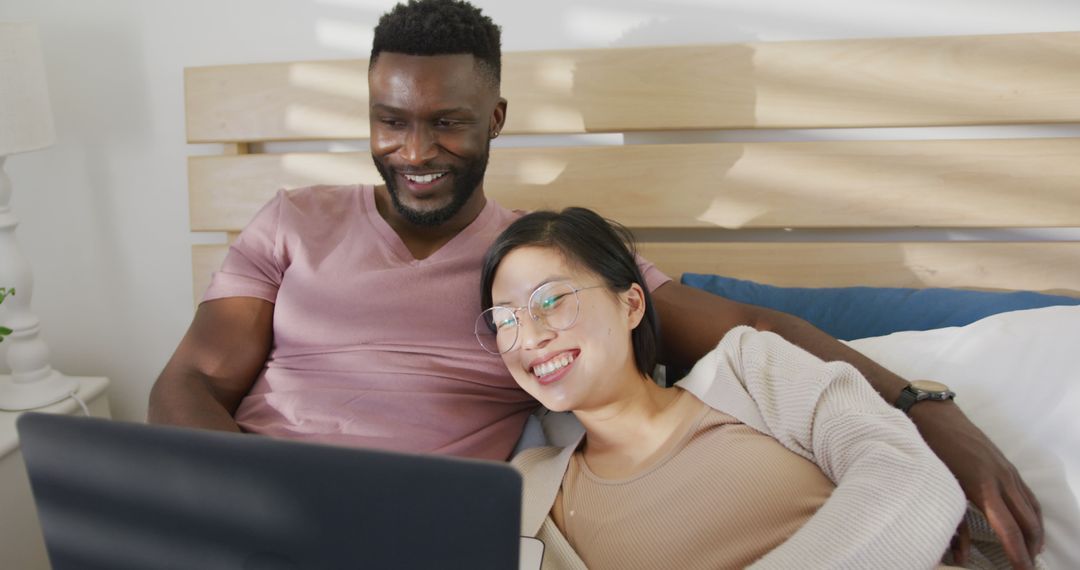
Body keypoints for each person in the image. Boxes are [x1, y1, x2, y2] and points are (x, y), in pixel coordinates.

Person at [147, 1, 1042, 566]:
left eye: (448, 122)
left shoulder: (548, 264)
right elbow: (190, 379)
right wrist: (247, 490)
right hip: (241, 509)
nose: (414, 151)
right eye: (391, 121)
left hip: (396, 537)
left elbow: (750, 326)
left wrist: (926, 404)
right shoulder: (292, 219)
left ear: (496, 118)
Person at [483, 207, 972, 569]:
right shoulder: (530, 490)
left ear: (631, 304)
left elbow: (914, 480)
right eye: (506, 319)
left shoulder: (749, 368)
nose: (530, 335)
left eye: (552, 299)